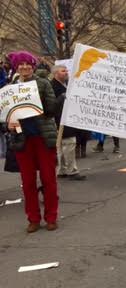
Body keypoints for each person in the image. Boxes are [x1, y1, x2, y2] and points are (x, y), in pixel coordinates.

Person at [6, 51, 60, 233]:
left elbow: (51, 111)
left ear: (33, 65)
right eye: (20, 64)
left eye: (27, 63)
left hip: (43, 137)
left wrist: (47, 104)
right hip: (23, 140)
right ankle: (33, 218)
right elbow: (5, 115)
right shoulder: (10, 88)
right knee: (28, 182)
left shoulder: (43, 83)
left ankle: (51, 217)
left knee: (48, 179)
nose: (24, 67)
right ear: (16, 67)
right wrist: (9, 124)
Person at [50, 65, 86, 181]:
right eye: (63, 71)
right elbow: (51, 105)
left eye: (66, 70)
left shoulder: (66, 84)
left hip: (66, 119)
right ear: (56, 73)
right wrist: (62, 97)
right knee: (69, 144)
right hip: (61, 120)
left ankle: (62, 170)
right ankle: (72, 171)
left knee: (61, 146)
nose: (66, 73)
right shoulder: (52, 87)